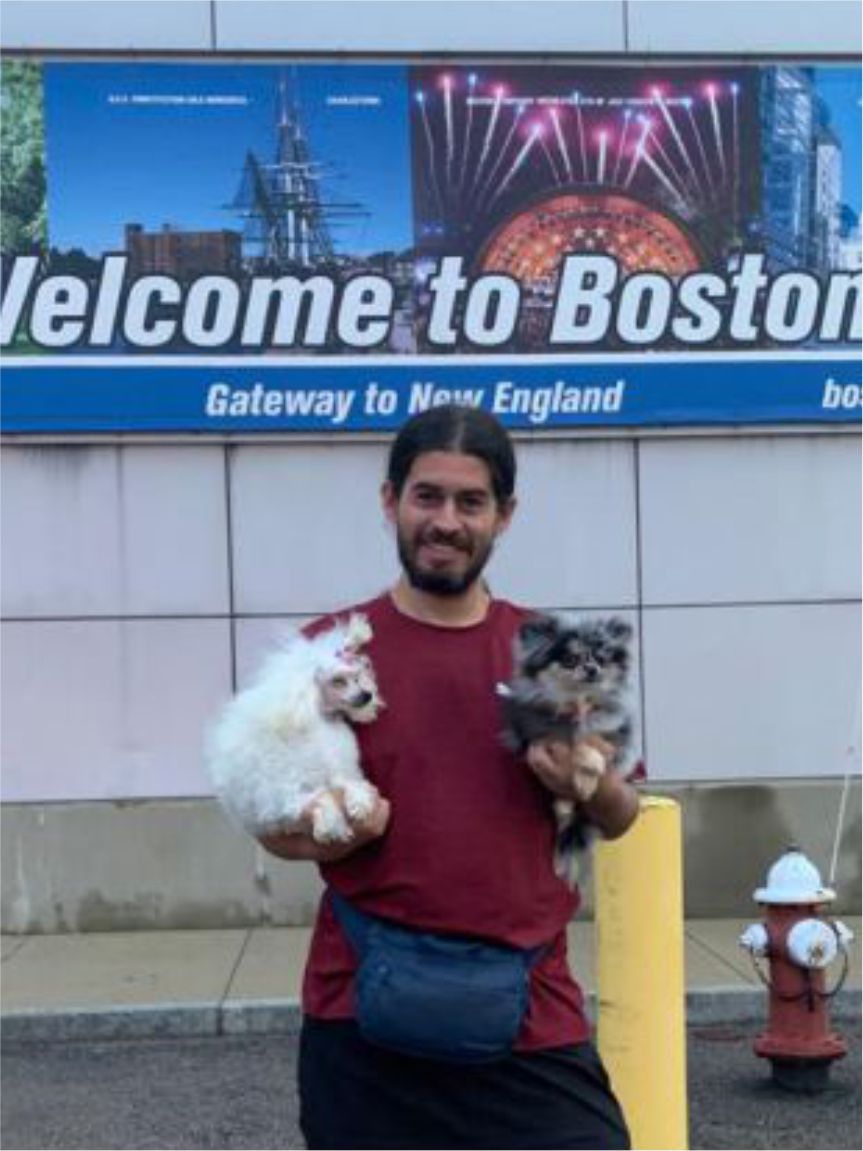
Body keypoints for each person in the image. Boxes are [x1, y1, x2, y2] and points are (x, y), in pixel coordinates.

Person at [259, 404, 639, 1150]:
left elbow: (623, 814)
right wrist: (331, 833)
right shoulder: (324, 657)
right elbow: (273, 827)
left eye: (470, 502)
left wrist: (585, 782)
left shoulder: (554, 654)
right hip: (361, 1021)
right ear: (390, 500)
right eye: (426, 496)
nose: (446, 522)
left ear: (504, 515)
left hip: (531, 1020)